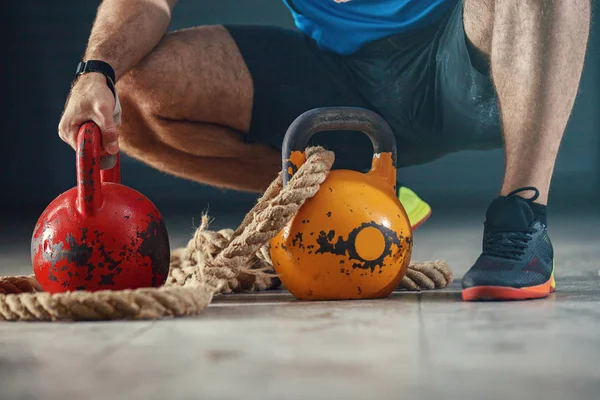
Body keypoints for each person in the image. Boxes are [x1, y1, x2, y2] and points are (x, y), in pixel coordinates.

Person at [58, 0, 591, 301]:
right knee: (135, 93)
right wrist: (96, 72)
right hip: (340, 77)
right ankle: (356, 199)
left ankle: (521, 219)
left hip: (465, 61)